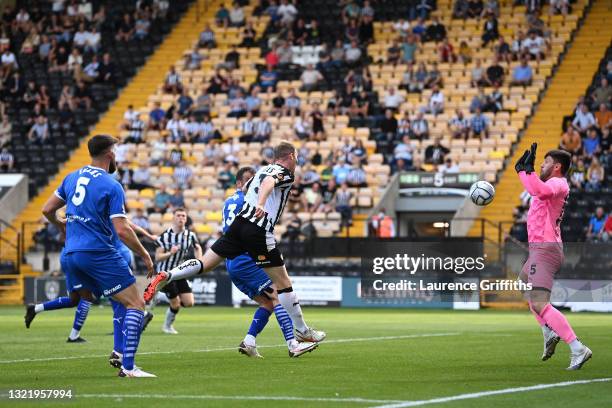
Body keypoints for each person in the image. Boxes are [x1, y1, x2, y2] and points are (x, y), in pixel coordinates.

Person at [144, 142, 326, 345]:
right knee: (283, 284)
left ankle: (169, 275)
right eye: (297, 157)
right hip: (258, 229)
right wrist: (261, 203)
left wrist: (258, 199)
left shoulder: (261, 170)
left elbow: (251, 186)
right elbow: (268, 183)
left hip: (239, 225)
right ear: (291, 156)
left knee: (205, 263)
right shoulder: (285, 172)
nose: (297, 161)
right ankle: (302, 331)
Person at [35, 135, 156, 377]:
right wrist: (144, 254)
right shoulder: (112, 185)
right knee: (136, 303)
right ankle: (129, 368)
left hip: (70, 254)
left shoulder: (71, 177)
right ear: (110, 154)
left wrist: (60, 225)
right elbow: (122, 229)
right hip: (97, 253)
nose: (117, 156)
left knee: (97, 300)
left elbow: (47, 209)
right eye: (116, 151)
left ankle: (119, 352)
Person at [222, 167, 318, 357]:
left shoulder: (229, 201)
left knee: (267, 303)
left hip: (232, 261)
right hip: (246, 258)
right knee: (278, 296)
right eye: (249, 182)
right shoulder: (249, 202)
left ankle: (249, 341)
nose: (253, 185)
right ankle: (293, 344)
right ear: (240, 184)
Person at [514, 144, 591, 370]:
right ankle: (548, 331)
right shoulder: (549, 183)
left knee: (539, 302)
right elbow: (535, 188)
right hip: (542, 249)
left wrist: (525, 172)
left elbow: (539, 191)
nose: (540, 165)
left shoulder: (558, 182)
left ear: (557, 167)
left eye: (545, 162)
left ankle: (577, 348)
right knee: (522, 283)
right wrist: (523, 171)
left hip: (545, 249)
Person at [154, 208, 202, 334]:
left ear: (186, 219)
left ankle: (161, 295)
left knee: (189, 302)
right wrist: (170, 253)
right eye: (178, 215)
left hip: (179, 272)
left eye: (183, 216)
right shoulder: (165, 236)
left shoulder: (190, 235)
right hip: (165, 273)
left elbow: (197, 247)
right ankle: (167, 326)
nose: (181, 218)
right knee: (176, 304)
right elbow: (157, 257)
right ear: (173, 218)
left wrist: (200, 262)